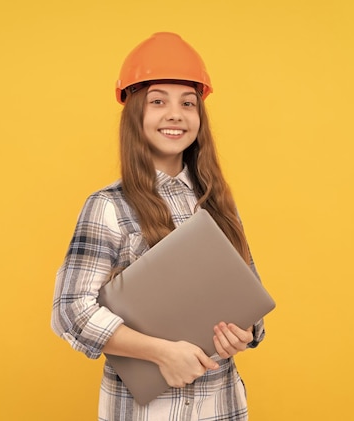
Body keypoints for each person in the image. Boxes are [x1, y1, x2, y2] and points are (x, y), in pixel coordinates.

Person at [51, 32, 266, 420]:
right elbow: (70, 311)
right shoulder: (108, 206)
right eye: (157, 101)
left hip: (222, 406)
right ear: (135, 114)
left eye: (188, 103)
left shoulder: (218, 202)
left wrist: (243, 333)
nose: (175, 114)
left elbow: (250, 302)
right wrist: (161, 353)